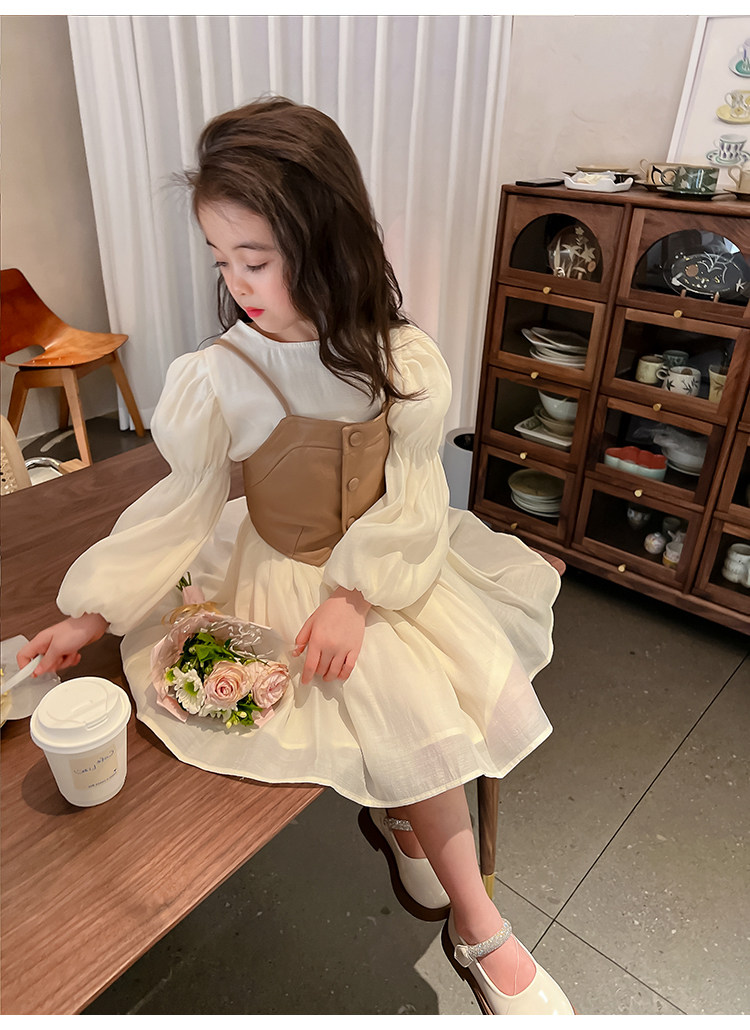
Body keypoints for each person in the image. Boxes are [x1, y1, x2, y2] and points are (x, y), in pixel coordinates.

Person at [18, 96, 573, 1016]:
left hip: (383, 567)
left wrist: (356, 594)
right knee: (383, 708)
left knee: (416, 699)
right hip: (272, 566)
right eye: (220, 259)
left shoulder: (400, 357)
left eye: (256, 259)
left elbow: (414, 492)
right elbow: (184, 504)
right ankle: (414, 835)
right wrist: (95, 609)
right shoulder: (217, 375)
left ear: (327, 240)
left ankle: (473, 919)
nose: (236, 282)